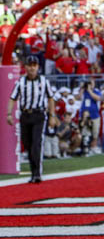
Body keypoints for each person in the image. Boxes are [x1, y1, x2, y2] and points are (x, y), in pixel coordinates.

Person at [6, 55, 57, 183]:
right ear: (26, 67)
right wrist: (9, 114)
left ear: (38, 67)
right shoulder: (21, 82)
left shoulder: (44, 81)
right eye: (30, 65)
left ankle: (37, 173)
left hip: (38, 115)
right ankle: (33, 171)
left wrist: (52, 116)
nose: (32, 68)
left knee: (36, 144)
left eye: (34, 65)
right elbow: (13, 98)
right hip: (25, 115)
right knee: (27, 144)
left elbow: (51, 98)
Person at [79, 80, 102, 154]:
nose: (90, 85)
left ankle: (93, 147)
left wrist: (89, 90)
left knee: (95, 133)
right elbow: (78, 97)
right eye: (89, 83)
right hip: (85, 115)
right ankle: (86, 148)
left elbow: (98, 98)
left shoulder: (96, 91)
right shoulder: (83, 91)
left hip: (95, 115)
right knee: (85, 133)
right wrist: (82, 88)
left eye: (91, 83)